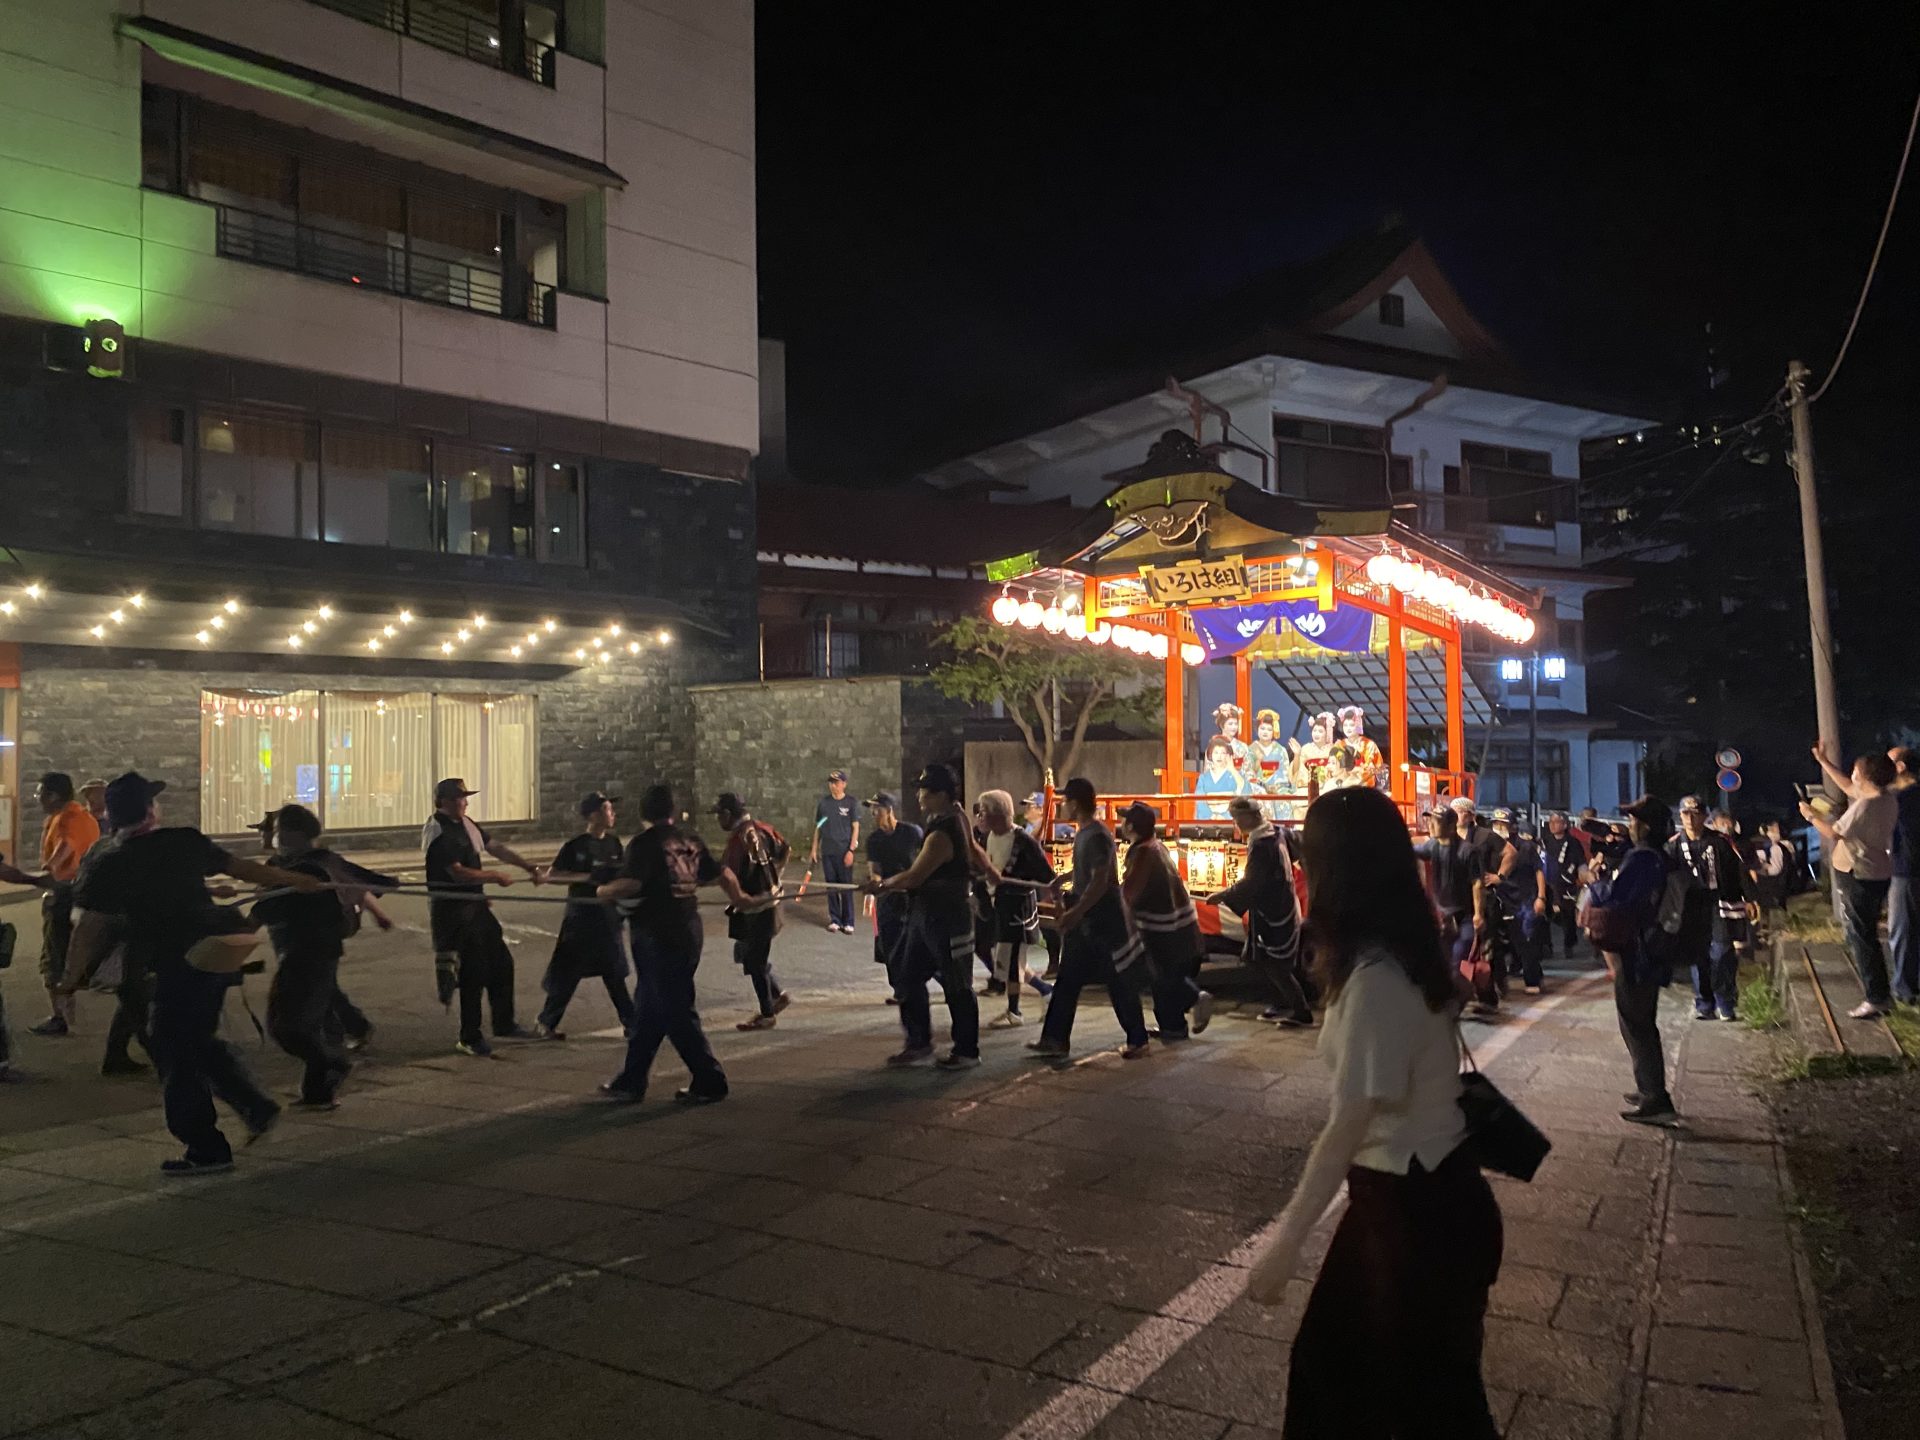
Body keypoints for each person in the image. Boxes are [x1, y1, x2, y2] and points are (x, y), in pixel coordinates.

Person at [1245, 786, 1502, 1437]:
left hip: (1410, 1213)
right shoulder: (1408, 950)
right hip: (1429, 1200)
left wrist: (1285, 1244)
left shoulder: (1375, 979)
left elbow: (1345, 1128)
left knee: (1365, 1394)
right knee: (1421, 1397)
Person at [69, 773, 324, 1175]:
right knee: (191, 1040)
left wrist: (70, 978)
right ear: (151, 811)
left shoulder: (109, 862)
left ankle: (209, 1145)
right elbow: (243, 869)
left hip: (169, 963)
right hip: (214, 954)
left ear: (114, 817)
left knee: (173, 1050)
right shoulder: (183, 841)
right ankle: (252, 1108)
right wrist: (297, 880)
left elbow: (90, 928)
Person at [597, 784, 757, 1104]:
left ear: (644, 812)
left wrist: (603, 892)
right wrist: (740, 897)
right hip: (687, 929)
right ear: (672, 811)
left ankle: (710, 1079)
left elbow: (631, 883)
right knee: (648, 1006)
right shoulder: (690, 839)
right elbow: (721, 873)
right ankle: (632, 1079)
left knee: (675, 1008)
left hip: (657, 933)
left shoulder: (643, 844)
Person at [252, 804, 399, 1110]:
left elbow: (354, 887)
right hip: (306, 951)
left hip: (308, 953)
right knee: (317, 1020)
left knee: (286, 1026)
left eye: (278, 831)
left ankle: (334, 1063)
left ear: (293, 833)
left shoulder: (311, 868)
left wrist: (239, 923)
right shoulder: (301, 864)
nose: (274, 836)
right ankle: (319, 1091)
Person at [867, 763, 989, 1069]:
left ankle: (967, 1051)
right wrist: (991, 872)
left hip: (947, 917)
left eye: (925, 790)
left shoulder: (942, 833)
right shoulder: (954, 816)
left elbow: (914, 876)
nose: (920, 796)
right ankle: (919, 1043)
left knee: (957, 984)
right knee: (907, 977)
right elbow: (974, 851)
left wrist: (883, 885)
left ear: (942, 795)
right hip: (926, 915)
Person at [1030, 778, 1150, 1059]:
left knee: (1117, 979)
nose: (1062, 805)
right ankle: (1055, 1039)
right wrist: (1065, 878)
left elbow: (1101, 880)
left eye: (1064, 801)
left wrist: (1076, 911)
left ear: (1074, 803)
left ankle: (1138, 1039)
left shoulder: (1096, 834)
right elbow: (1090, 871)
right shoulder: (1086, 832)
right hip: (1090, 917)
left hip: (1102, 918)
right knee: (1068, 979)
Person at [423, 777, 543, 1057]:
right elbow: (456, 872)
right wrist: (494, 876)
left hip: (475, 907)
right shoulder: (440, 832)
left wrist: (527, 866)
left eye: (464, 798)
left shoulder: (466, 824)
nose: (464, 802)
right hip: (454, 912)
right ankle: (469, 1035)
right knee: (473, 973)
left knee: (501, 962)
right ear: (444, 802)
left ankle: (504, 1022)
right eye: (458, 798)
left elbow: (495, 847)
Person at [1600, 796, 1683, 1125]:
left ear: (1645, 826)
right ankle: (1649, 1087)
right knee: (1640, 1020)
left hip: (1639, 952)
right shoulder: (1662, 857)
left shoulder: (1642, 858)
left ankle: (1654, 1097)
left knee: (1636, 1021)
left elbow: (1619, 901)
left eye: (1634, 820)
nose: (1629, 825)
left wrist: (1599, 886)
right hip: (1654, 949)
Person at [1803, 746, 1900, 1018]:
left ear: (1866, 776)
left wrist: (1810, 815)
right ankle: (1879, 994)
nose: (1852, 773)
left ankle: (1876, 997)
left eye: (1856, 769)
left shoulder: (1866, 806)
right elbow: (1847, 787)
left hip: (1859, 874)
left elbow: (1834, 832)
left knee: (1863, 936)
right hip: (1877, 872)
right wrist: (1823, 761)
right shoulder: (1885, 797)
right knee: (1864, 932)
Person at [535, 793, 635, 1039]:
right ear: (593, 815)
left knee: (614, 974)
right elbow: (553, 875)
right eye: (607, 810)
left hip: (608, 918)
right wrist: (587, 878)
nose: (612, 815)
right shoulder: (576, 846)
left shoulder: (614, 844)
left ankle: (632, 1023)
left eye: (611, 810)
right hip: (581, 920)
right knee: (568, 973)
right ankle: (546, 1021)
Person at [1212, 796, 1312, 1026]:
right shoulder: (1276, 832)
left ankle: (1301, 1011)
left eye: (1237, 818)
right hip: (1279, 905)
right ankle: (1283, 1002)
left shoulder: (1262, 844)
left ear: (1249, 816)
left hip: (1275, 911)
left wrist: (1224, 895)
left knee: (1276, 964)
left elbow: (1252, 883)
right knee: (1265, 958)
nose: (1236, 823)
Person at [1119, 801, 1213, 1041]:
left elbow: (1131, 892)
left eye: (1124, 820)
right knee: (1163, 980)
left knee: (1162, 979)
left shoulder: (1142, 853)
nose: (1121, 824)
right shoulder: (1156, 846)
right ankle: (1174, 1028)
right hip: (1180, 925)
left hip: (1163, 929)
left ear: (1131, 826)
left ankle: (1194, 997)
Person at [25, 772, 102, 1037]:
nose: (38, 799)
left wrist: (48, 872)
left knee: (54, 956)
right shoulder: (81, 816)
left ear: (53, 794)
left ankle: (60, 1016)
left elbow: (66, 847)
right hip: (81, 892)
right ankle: (67, 1011)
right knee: (71, 951)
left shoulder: (68, 819)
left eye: (40, 794)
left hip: (62, 893)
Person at [974, 789, 1056, 1029]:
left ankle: (1014, 1011)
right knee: (1005, 958)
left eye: (984, 811)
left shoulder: (1024, 842)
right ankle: (1046, 991)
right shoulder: (985, 837)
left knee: (1010, 961)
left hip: (1018, 907)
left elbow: (1045, 877)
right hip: (997, 905)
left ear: (999, 814)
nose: (980, 816)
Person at [716, 792, 792, 1031]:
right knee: (749, 955)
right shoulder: (764, 828)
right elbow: (786, 849)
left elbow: (728, 875)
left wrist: (738, 897)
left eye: (719, 814)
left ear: (728, 814)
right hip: (770, 903)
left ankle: (767, 1013)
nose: (719, 820)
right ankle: (777, 995)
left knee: (756, 961)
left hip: (755, 907)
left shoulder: (739, 840)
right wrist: (776, 875)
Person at [1668, 794, 1747, 1021]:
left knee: (1722, 952)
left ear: (1704, 816)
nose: (1690, 820)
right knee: (1697, 956)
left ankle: (1726, 1002)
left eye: (1695, 814)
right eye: (1685, 814)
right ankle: (1705, 1003)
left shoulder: (1720, 842)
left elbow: (1737, 872)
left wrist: (1747, 899)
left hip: (1718, 903)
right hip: (1690, 906)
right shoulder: (1674, 845)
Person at [1413, 805, 1490, 1012]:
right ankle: (1456, 998)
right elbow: (1412, 849)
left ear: (1450, 825)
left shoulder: (1468, 851)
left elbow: (1477, 883)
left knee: (1457, 964)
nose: (1431, 825)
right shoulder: (1433, 846)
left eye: (1436, 821)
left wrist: (1478, 914)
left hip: (1464, 917)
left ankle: (1463, 1000)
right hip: (1443, 919)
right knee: (1442, 964)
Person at [865, 792, 922, 1003]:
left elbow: (923, 859)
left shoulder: (912, 832)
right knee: (889, 943)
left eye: (877, 809)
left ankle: (944, 982)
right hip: (888, 896)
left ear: (889, 810)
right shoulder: (874, 840)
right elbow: (875, 869)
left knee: (918, 942)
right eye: (871, 809)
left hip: (912, 895)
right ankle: (900, 990)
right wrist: (875, 881)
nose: (873, 813)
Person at [1488, 808, 1549, 995]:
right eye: (1496, 824)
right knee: (1503, 943)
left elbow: (1539, 871)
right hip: (1500, 900)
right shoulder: (1490, 846)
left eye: (1503, 824)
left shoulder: (1526, 846)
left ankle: (1533, 980)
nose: (1499, 828)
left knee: (1525, 941)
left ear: (1513, 826)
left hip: (1525, 900)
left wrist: (1541, 897)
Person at [1889, 747, 1920, 1006]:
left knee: (1903, 930)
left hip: (1907, 871)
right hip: (1909, 870)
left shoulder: (1901, 798)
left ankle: (1904, 988)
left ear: (1900, 767)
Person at [813, 770, 860, 935]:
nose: (833, 785)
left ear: (844, 784)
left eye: (836, 782)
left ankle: (848, 921)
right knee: (831, 886)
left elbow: (855, 828)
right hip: (828, 852)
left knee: (845, 886)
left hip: (844, 852)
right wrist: (814, 849)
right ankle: (835, 919)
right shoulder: (824, 804)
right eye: (831, 782)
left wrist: (851, 850)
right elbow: (819, 827)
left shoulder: (851, 803)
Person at [1022, 791, 1064, 978]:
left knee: (1050, 922)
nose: (1026, 809)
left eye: (1030, 806)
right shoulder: (1029, 828)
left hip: (1047, 881)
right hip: (1035, 881)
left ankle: (1055, 962)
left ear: (1041, 810)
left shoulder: (1055, 829)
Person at [1539, 812, 1585, 959]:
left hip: (1566, 884)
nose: (1552, 825)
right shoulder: (1545, 842)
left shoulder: (1573, 843)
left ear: (1565, 824)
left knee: (1567, 915)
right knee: (1546, 915)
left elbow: (1580, 861)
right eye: (1550, 822)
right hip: (1547, 883)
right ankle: (1546, 945)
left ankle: (1569, 944)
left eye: (1556, 822)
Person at [1195, 735, 1245, 819]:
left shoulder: (1235, 775)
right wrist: (1211, 815)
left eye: (1223, 753)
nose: (1219, 756)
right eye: (1216, 752)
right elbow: (1200, 801)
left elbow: (1243, 796)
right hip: (1208, 820)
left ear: (1229, 755)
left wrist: (1226, 816)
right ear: (1210, 755)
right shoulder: (1203, 778)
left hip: (1230, 820)